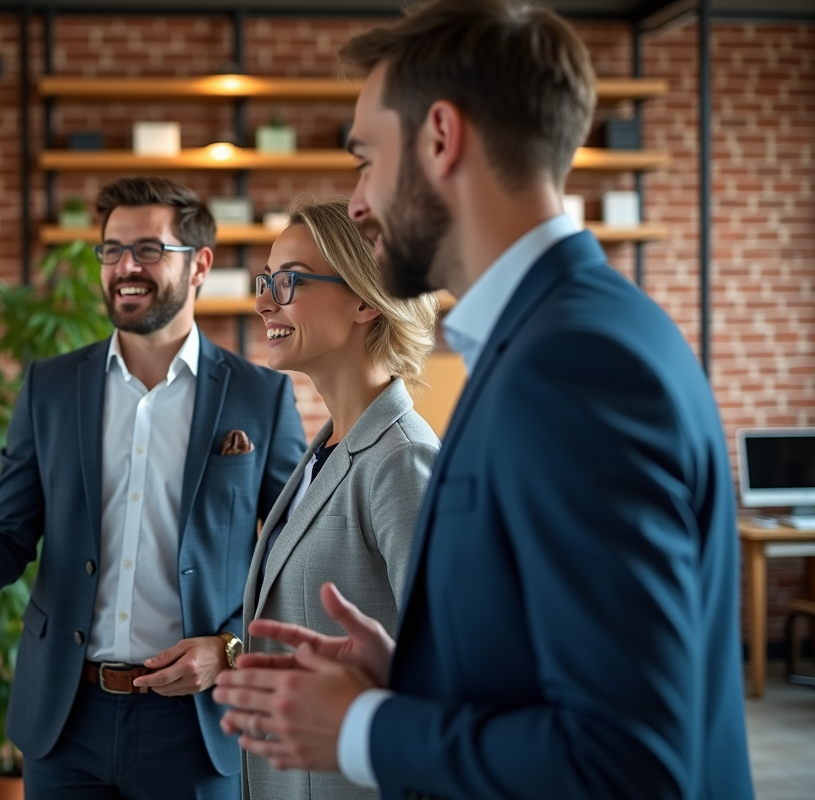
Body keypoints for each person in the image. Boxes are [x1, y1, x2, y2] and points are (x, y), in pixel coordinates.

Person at [214, 2, 755, 799]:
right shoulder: (549, 339)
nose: (358, 203)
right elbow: (563, 681)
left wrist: (361, 730)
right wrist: (415, 675)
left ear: (440, 137)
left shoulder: (575, 365)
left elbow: (632, 761)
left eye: (367, 159)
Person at [0, 176, 307, 800]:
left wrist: (230, 649)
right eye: (111, 250)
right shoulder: (51, 387)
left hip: (196, 727)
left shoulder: (262, 396)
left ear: (199, 265)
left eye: (148, 250)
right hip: (67, 724)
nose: (125, 268)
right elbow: (6, 540)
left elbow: (298, 562)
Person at [240, 197, 439, 800]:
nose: (264, 301)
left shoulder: (401, 459)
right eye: (266, 280)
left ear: (363, 299)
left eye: (290, 281)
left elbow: (445, 677)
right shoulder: (326, 449)